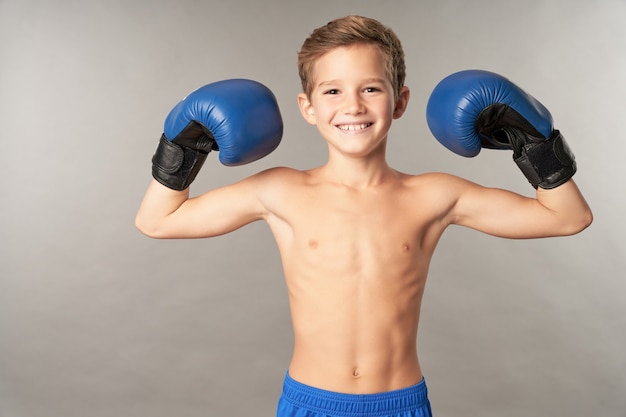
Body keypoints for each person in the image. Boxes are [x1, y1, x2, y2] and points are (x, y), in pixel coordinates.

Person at [135, 15, 592, 417]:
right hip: (310, 402)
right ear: (308, 108)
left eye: (371, 88)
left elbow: (567, 217)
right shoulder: (280, 190)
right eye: (332, 91)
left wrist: (535, 144)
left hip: (400, 402)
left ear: (400, 101)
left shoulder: (434, 195)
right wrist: (182, 149)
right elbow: (157, 220)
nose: (352, 106)